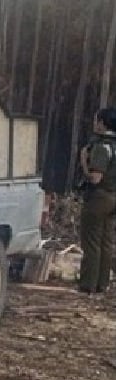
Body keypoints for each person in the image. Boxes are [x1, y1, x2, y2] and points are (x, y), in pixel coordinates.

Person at [78, 107, 116, 294]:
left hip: (99, 197)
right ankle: (103, 284)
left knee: (91, 242)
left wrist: (84, 161)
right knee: (106, 242)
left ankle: (88, 285)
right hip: (113, 196)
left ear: (102, 123)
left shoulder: (102, 147)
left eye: (96, 120)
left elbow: (95, 178)